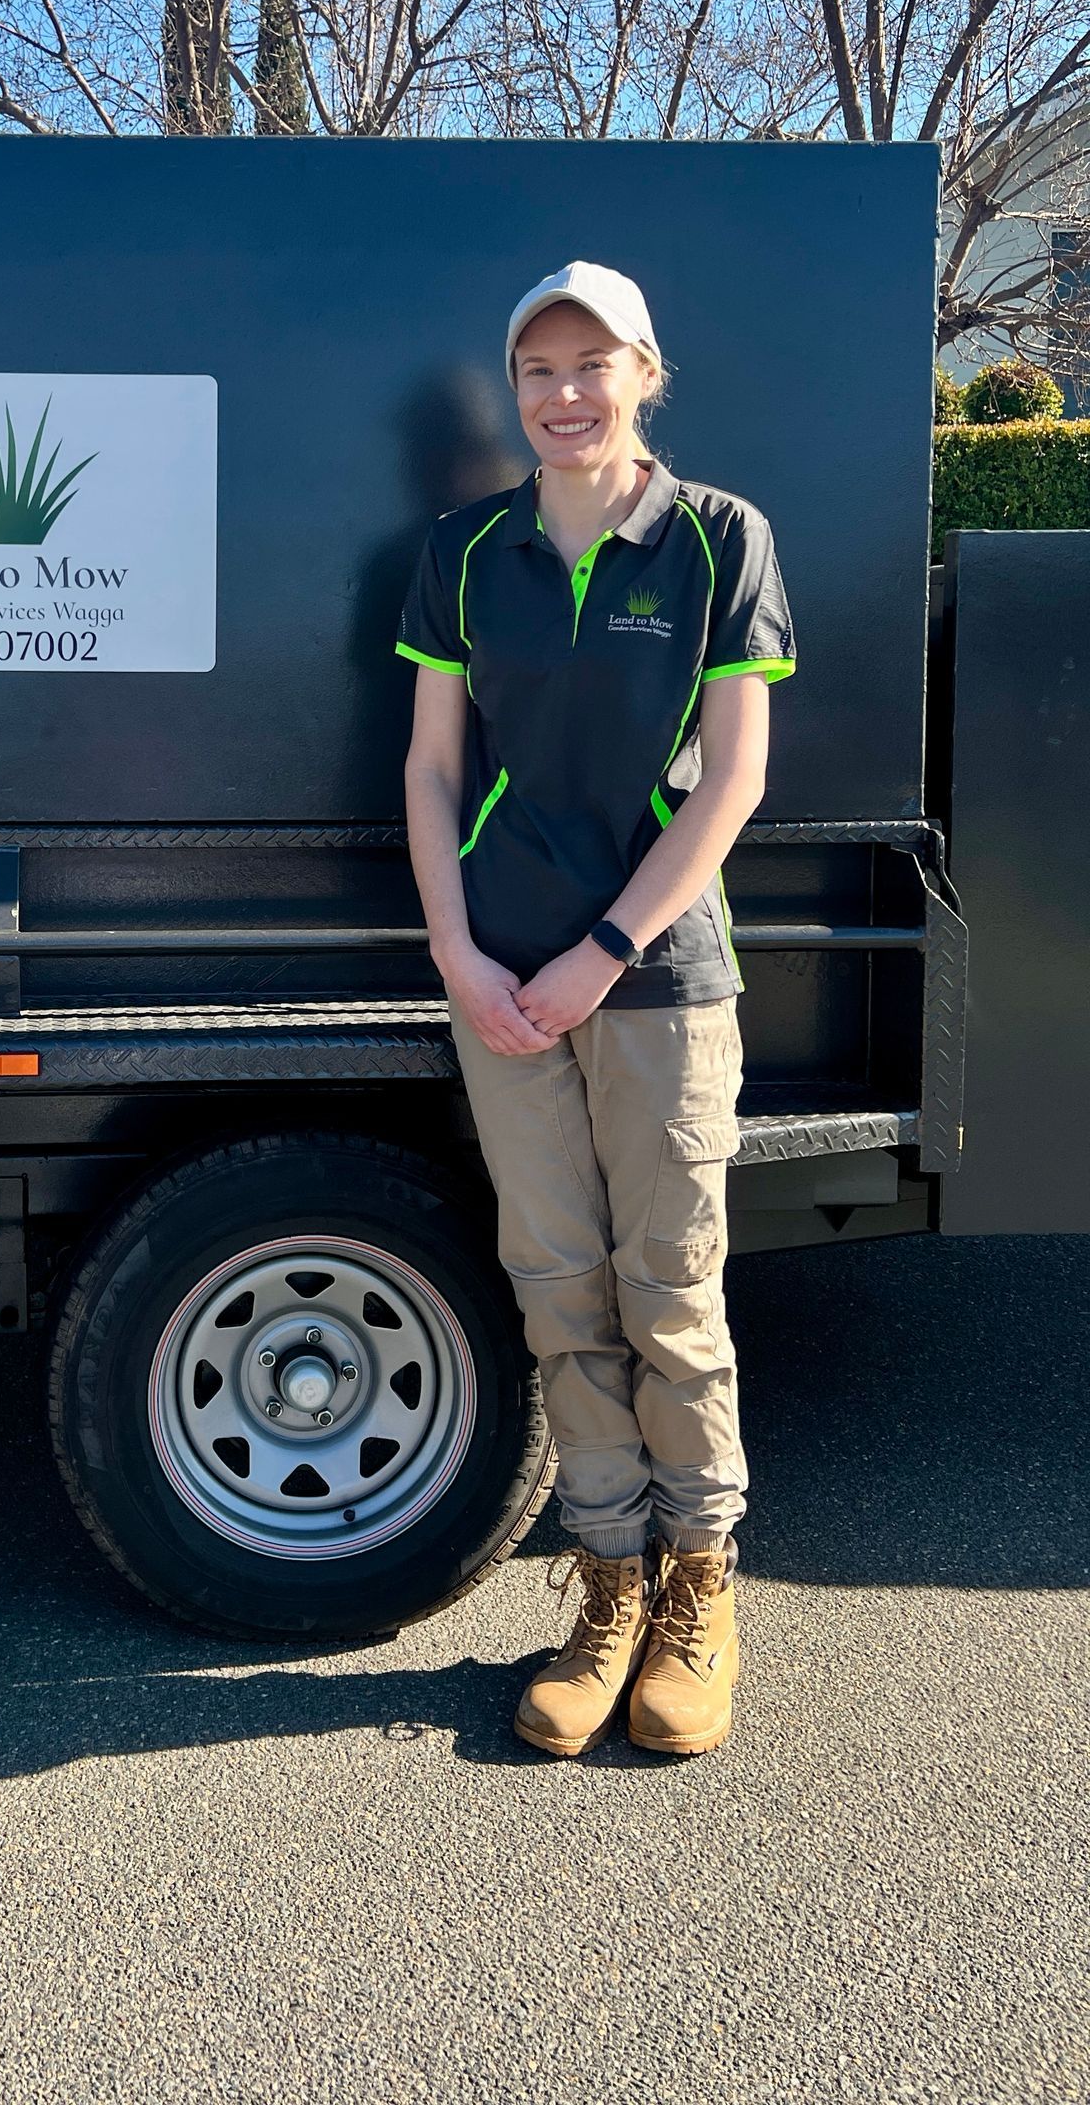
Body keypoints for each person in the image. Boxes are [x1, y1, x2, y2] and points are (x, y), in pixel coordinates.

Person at [398, 261, 794, 1759]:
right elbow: (434, 768)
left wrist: (606, 950)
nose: (563, 396)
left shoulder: (717, 540)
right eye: (536, 371)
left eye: (592, 366)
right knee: (560, 1290)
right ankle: (608, 1588)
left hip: (659, 978)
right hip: (498, 981)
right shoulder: (467, 548)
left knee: (668, 1293)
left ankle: (703, 1590)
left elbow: (737, 779)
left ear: (645, 373)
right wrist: (460, 952)